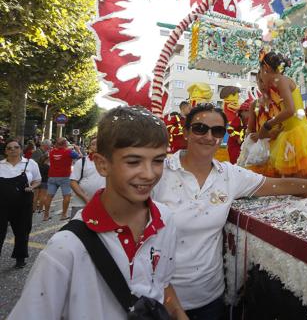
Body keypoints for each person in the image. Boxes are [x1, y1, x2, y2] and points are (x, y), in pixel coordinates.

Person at [152, 103, 307, 319]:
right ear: (186, 132)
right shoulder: (160, 172)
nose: (208, 136)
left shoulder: (229, 175)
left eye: (217, 131)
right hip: (162, 298)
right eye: (200, 128)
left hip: (210, 298)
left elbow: (274, 185)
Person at [9, 106, 188, 320]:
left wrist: (177, 312)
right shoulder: (65, 248)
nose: (149, 174)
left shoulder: (165, 219)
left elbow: (162, 285)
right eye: (133, 162)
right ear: (102, 165)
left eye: (158, 161)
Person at [259, 51, 307, 177]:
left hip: (298, 133)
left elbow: (290, 110)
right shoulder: (281, 82)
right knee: (300, 182)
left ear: (265, 68)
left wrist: (268, 124)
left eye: (261, 72)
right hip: (291, 132)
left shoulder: (281, 81)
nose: (261, 77)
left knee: (303, 180)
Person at [0, 139, 41, 268]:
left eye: (16, 147)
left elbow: (37, 180)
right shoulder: (0, 165)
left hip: (23, 203)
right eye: (9, 148)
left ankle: (20, 258)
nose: (13, 150)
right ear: (5, 151)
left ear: (21, 149)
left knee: (22, 231)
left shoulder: (30, 163)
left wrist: (32, 187)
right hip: (2, 203)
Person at [43, 137, 81, 221]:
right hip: (65, 177)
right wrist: (78, 149)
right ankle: (63, 215)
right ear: (65, 144)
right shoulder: (69, 152)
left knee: (49, 196)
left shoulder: (51, 152)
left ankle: (46, 216)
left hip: (52, 176)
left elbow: (46, 161)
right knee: (66, 196)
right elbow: (80, 157)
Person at [69, 136, 105, 218]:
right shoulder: (82, 162)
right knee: (78, 228)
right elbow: (73, 182)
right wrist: (85, 198)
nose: (96, 146)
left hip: (104, 205)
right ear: (90, 147)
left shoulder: (110, 162)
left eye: (98, 144)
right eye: (93, 144)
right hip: (81, 204)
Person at [226, 99, 252, 164]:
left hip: (241, 143)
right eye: (246, 111)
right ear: (241, 112)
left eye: (248, 111)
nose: (248, 113)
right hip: (234, 143)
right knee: (235, 160)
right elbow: (229, 129)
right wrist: (237, 138)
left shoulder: (248, 119)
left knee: (242, 159)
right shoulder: (237, 119)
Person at [31, 139, 51, 213]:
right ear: (45, 145)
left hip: (38, 177)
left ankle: (34, 208)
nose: (49, 147)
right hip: (40, 178)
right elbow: (33, 163)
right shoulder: (37, 152)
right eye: (49, 146)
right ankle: (38, 208)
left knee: (36, 195)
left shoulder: (42, 152)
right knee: (42, 195)